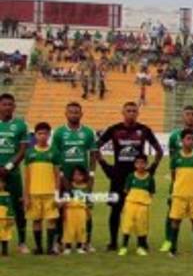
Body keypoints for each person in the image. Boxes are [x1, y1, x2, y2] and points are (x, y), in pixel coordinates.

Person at [97, 101, 162, 252]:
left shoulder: (144, 130)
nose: (131, 113)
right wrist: (105, 166)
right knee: (115, 210)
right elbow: (95, 147)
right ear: (123, 112)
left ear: (138, 113)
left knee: (141, 211)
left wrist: (151, 169)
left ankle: (143, 242)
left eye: (134, 111)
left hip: (137, 178)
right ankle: (113, 242)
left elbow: (158, 150)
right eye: (128, 111)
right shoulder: (114, 129)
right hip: (118, 176)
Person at [162, 106, 193, 254]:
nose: (190, 117)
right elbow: (173, 157)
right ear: (183, 117)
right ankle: (168, 240)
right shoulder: (174, 136)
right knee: (172, 210)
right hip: (179, 181)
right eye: (187, 114)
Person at [51, 101, 97, 251]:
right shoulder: (59, 133)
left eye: (76, 112)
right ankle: (59, 242)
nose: (74, 114)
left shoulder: (88, 132)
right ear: (65, 114)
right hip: (63, 178)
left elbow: (93, 155)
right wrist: (61, 177)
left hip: (82, 180)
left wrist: (91, 176)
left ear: (81, 114)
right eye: (71, 112)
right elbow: (55, 157)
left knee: (86, 210)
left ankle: (87, 242)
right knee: (62, 210)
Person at [166, 129, 193, 257]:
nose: (191, 141)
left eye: (192, 139)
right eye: (188, 138)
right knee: (175, 220)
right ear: (182, 141)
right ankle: (173, 248)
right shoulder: (176, 157)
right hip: (179, 194)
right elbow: (173, 176)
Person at [23, 122, 60, 255]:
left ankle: (50, 248)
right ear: (35, 135)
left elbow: (57, 176)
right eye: (40, 134)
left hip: (50, 193)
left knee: (51, 220)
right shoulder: (29, 153)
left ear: (49, 135)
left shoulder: (54, 152)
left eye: (45, 134)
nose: (42, 136)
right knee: (36, 220)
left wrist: (57, 195)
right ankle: (39, 248)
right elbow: (27, 177)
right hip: (34, 193)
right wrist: (26, 196)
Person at [0, 92, 30, 254]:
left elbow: (23, 150)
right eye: (4, 104)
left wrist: (9, 166)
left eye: (10, 104)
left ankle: (22, 242)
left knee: (18, 207)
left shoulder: (20, 125)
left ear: (14, 107)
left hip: (12, 173)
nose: (7, 107)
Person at [117, 154, 155, 256]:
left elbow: (151, 193)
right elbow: (126, 190)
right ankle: (124, 247)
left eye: (143, 163)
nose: (140, 165)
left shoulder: (150, 178)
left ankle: (140, 247)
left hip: (143, 206)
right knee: (127, 225)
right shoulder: (131, 176)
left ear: (146, 164)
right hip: (130, 205)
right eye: (138, 163)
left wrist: (145, 200)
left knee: (141, 227)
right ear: (135, 164)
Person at [60, 167, 91, 254]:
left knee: (81, 228)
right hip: (70, 210)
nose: (77, 177)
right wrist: (64, 211)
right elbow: (65, 199)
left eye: (80, 175)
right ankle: (67, 247)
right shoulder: (69, 186)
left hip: (81, 211)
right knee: (69, 229)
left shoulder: (85, 188)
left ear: (84, 176)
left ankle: (79, 246)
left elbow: (87, 201)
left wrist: (88, 212)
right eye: (75, 174)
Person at [0, 175, 12, 256]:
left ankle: (5, 251)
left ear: (4, 184)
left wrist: (10, 218)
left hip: (4, 219)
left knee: (5, 235)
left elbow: (10, 208)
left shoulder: (7, 195)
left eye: (0, 183)